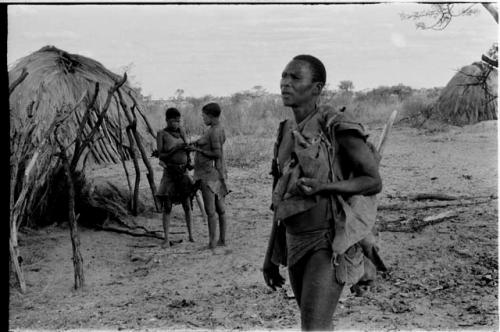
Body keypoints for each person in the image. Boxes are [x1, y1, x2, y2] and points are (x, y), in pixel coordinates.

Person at [262, 54, 383, 330]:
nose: (285, 83)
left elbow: (372, 180)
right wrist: (270, 256)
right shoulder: (285, 132)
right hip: (294, 242)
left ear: (316, 88)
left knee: (313, 328)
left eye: (295, 77)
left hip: (327, 241)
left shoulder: (335, 125)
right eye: (283, 76)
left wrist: (325, 187)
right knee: (317, 325)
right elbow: (279, 201)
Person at [156, 107, 196, 248]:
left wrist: (189, 154)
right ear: (167, 120)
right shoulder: (161, 134)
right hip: (170, 173)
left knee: (187, 204)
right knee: (167, 206)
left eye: (178, 121)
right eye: (173, 121)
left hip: (183, 172)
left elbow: (187, 149)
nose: (176, 124)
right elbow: (161, 155)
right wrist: (175, 149)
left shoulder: (182, 131)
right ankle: (166, 238)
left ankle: (191, 235)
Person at [191, 102, 229, 249]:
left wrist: (199, 151)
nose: (202, 118)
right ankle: (222, 240)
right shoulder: (218, 129)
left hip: (208, 175)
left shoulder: (213, 131)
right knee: (221, 209)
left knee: (211, 211)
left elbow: (217, 153)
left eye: (204, 116)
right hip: (218, 173)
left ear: (211, 116)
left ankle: (212, 242)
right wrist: (195, 144)